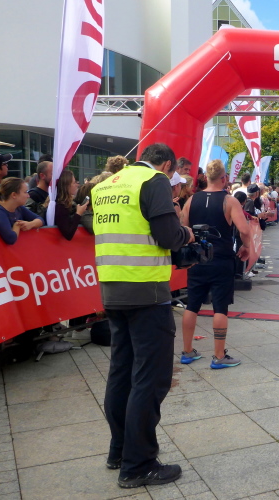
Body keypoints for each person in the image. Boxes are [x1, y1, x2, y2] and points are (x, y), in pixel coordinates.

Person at [95, 143, 194, 488]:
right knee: (150, 378)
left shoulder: (107, 184)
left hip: (112, 287)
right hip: (146, 290)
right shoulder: (154, 181)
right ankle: (138, 464)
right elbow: (167, 236)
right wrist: (186, 234)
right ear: (167, 165)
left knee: (121, 373)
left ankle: (120, 450)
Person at [179, 159, 252, 368]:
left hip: (197, 259)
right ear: (224, 178)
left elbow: (183, 228)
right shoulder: (229, 201)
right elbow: (244, 229)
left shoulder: (192, 200)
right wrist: (246, 246)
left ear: (206, 177)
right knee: (220, 307)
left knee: (192, 305)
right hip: (221, 259)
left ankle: (187, 351)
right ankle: (219, 356)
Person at [0, 177, 44, 244]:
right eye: (25, 192)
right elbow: (10, 238)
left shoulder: (19, 208)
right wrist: (17, 225)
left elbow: (41, 220)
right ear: (14, 195)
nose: (28, 196)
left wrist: (30, 224)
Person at [50, 169, 89, 241]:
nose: (76, 185)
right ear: (67, 186)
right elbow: (68, 234)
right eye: (74, 183)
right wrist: (78, 213)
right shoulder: (60, 206)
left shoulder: (64, 203)